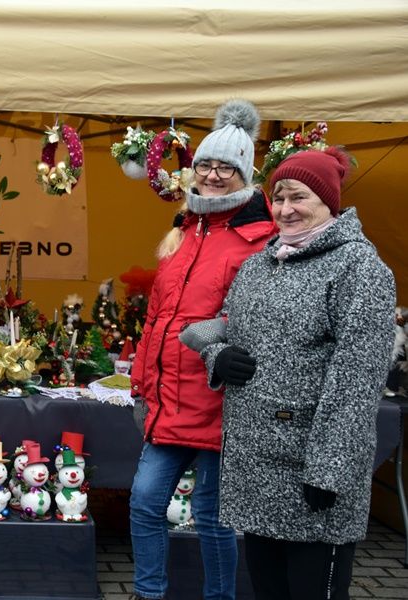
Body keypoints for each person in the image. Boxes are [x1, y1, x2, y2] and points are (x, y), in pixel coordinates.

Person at [192, 147, 395, 599]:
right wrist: (217, 356)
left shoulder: (359, 269)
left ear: (329, 203)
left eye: (298, 197)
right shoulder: (259, 264)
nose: (285, 209)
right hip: (257, 467)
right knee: (268, 590)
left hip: (312, 472)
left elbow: (358, 379)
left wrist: (330, 469)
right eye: (279, 197)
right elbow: (224, 325)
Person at [128, 99, 277, 600]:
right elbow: (157, 319)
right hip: (169, 401)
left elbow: (256, 320)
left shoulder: (262, 239)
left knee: (212, 518)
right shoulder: (184, 230)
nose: (213, 175)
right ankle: (149, 594)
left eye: (226, 168)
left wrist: (207, 336)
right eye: (205, 164)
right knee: (144, 504)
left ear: (245, 174)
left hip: (220, 404)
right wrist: (141, 385)